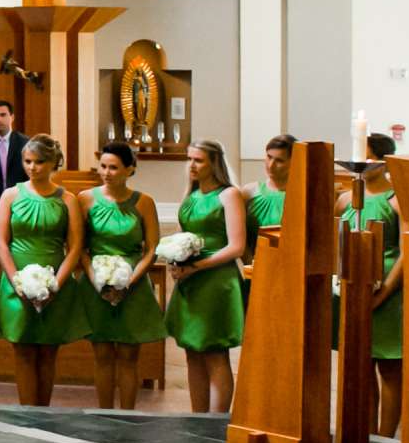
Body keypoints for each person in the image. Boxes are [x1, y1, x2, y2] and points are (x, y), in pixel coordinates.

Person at [0, 134, 88, 407]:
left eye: (39, 162)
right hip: (17, 277)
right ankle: (26, 412)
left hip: (55, 277)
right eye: (28, 161)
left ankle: (43, 412)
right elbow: (1, 242)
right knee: (22, 348)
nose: (32, 167)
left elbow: (75, 246)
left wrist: (55, 284)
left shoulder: (67, 199)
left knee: (48, 350)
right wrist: (17, 282)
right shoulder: (11, 195)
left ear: (54, 163)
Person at [167, 140, 248, 414]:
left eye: (198, 160)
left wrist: (197, 266)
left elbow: (236, 246)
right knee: (192, 353)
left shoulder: (228, 195)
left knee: (215, 353)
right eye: (189, 159)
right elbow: (181, 236)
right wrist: (176, 262)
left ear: (214, 163)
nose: (191, 165)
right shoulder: (191, 196)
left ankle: (216, 423)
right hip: (190, 280)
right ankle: (197, 417)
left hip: (216, 281)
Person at [83, 141, 164, 410]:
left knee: (129, 354)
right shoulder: (86, 199)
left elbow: (152, 248)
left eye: (114, 167)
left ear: (130, 170)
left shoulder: (144, 202)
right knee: (102, 353)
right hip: (96, 283)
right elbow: (79, 247)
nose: (107, 172)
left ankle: (129, 416)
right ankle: (104, 413)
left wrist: (128, 281)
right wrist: (96, 279)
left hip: (134, 282)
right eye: (103, 166)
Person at [341, 133, 406, 436]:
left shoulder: (398, 199)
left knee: (390, 369)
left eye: (366, 156)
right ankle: (365, 434)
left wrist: (383, 295)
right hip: (353, 287)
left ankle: (386, 436)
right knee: (361, 367)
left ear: (383, 161)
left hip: (390, 290)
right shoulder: (346, 199)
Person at [246, 133, 295, 260]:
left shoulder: (300, 197)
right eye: (269, 157)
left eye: (279, 160)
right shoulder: (248, 192)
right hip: (254, 264)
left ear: (294, 162)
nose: (271, 165)